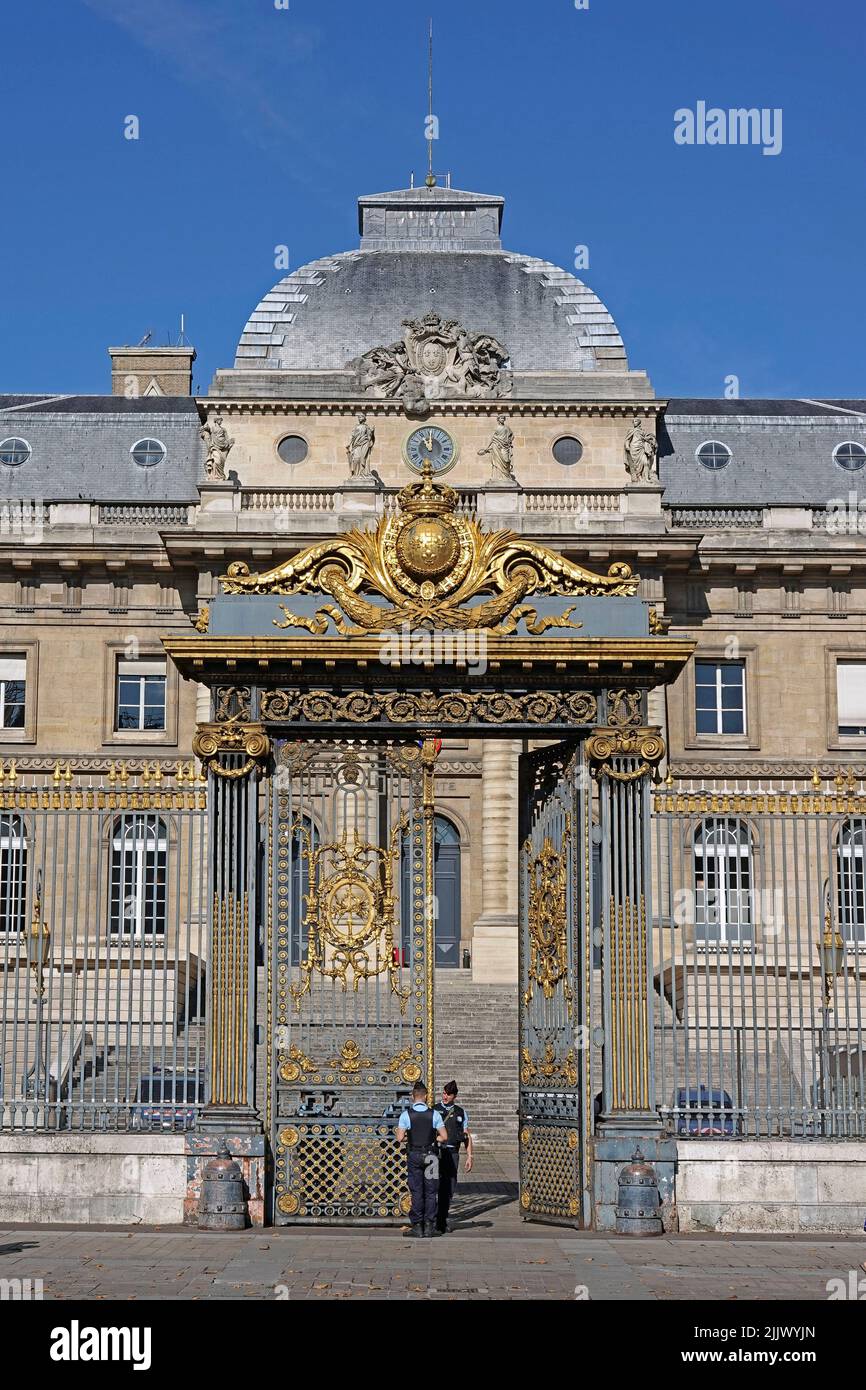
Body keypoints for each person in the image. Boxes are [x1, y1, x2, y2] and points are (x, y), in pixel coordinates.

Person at [396, 1081, 448, 1238]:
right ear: (425, 1096)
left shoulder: (406, 1115)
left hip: (414, 1155)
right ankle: (429, 1226)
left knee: (417, 1190)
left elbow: (399, 1138)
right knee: (431, 1192)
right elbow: (444, 1137)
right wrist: (433, 1138)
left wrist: (410, 1138)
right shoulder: (435, 1114)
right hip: (431, 1156)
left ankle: (417, 1226)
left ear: (413, 1096)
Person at [435, 1080, 473, 1234]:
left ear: (454, 1096)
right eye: (444, 1093)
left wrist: (470, 1156)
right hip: (436, 1152)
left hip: (452, 1153)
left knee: (449, 1187)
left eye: (448, 1094)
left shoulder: (460, 1112)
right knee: (434, 1187)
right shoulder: (434, 1110)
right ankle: (433, 1219)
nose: (445, 1096)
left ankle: (442, 1220)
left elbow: (466, 1136)